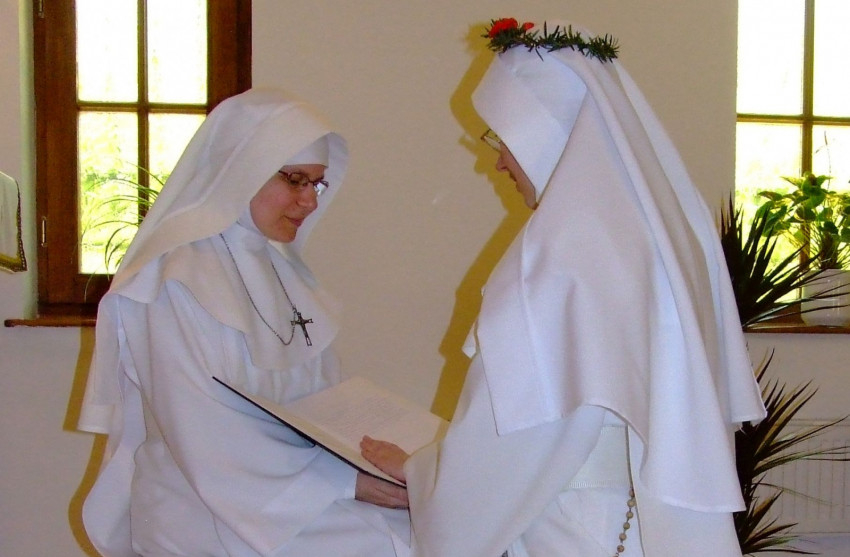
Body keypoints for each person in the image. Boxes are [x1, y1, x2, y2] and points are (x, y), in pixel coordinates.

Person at [361, 19, 767, 557]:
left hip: (571, 528)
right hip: (630, 523)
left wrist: (421, 476)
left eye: (502, 139)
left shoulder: (561, 260)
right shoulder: (659, 235)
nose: (498, 160)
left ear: (548, 133)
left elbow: (517, 439)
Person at [77, 88, 411, 557]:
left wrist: (374, 463)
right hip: (205, 505)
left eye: (316, 184)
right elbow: (201, 431)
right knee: (394, 545)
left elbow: (324, 404)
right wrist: (342, 481)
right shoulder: (171, 282)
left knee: (433, 527)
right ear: (242, 168)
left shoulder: (286, 274)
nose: (309, 202)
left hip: (290, 492)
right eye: (295, 180)